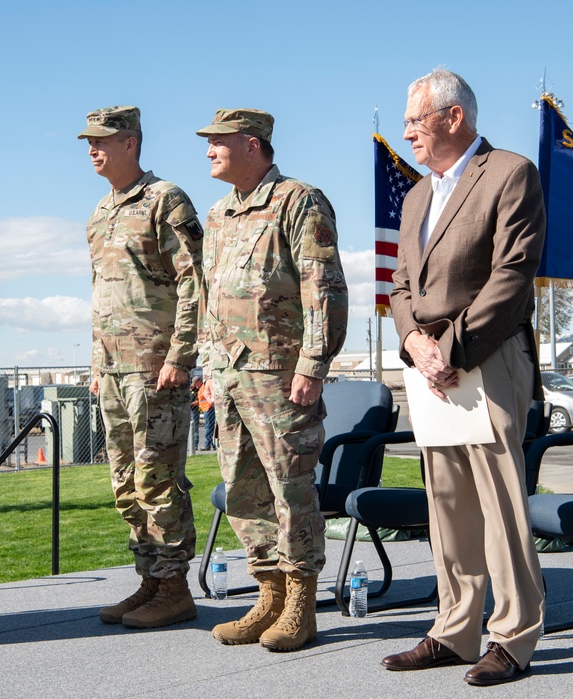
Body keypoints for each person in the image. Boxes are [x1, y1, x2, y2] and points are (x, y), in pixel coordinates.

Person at [384, 70, 547, 686]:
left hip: (488, 355)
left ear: (454, 118)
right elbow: (400, 287)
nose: (408, 133)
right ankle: (454, 630)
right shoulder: (418, 196)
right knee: (447, 504)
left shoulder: (509, 173)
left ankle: (513, 637)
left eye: (415, 120)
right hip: (430, 365)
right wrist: (415, 344)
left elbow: (512, 273)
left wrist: (450, 347)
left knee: (500, 505)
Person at [195, 108, 348, 652]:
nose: (209, 150)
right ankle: (268, 596)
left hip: (280, 378)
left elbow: (323, 287)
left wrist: (313, 363)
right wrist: (208, 367)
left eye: (218, 141)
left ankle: (301, 606)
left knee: (290, 488)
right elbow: (211, 299)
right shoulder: (219, 215)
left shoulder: (298, 200)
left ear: (253, 145)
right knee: (243, 490)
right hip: (229, 377)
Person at [80, 105, 202, 629]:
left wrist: (181, 355)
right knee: (125, 482)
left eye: (103, 140)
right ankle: (149, 579)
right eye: (88, 141)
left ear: (132, 143)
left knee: (158, 477)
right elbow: (103, 297)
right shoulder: (98, 214)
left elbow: (194, 283)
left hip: (155, 369)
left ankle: (174, 587)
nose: (92, 149)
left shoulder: (165, 200)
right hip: (113, 370)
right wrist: (96, 363)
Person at [190, 376, 204, 452]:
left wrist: (191, 404)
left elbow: (198, 401)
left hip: (194, 410)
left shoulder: (199, 390)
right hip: (188, 410)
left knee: (195, 428)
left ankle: (194, 445)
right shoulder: (190, 390)